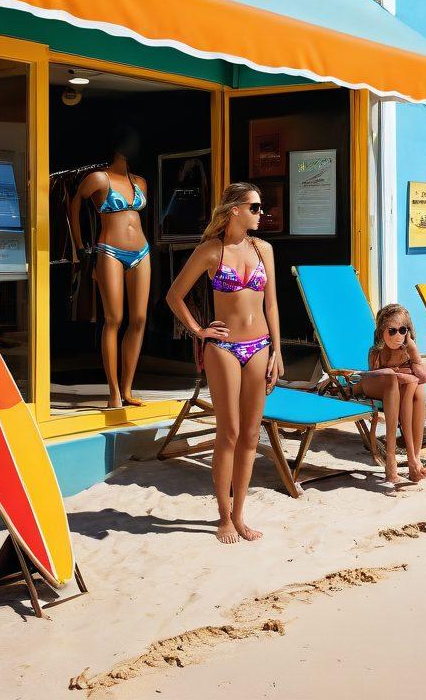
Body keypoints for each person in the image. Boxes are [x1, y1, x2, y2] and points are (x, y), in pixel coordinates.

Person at [166, 182, 283, 544]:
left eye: (260, 208)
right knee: (229, 432)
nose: (261, 214)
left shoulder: (263, 249)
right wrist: (199, 330)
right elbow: (174, 296)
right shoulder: (210, 251)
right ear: (235, 210)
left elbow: (271, 305)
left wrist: (277, 351)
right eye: (255, 207)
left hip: (260, 346)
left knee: (251, 434)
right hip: (224, 347)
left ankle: (240, 515)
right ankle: (223, 516)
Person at [69, 126, 150, 409]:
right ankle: (114, 391)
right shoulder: (98, 178)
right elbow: (74, 204)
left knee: (139, 319)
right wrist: (79, 245)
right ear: (117, 145)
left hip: (142, 251)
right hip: (110, 251)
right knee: (114, 319)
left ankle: (127, 389)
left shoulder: (140, 182)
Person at [358, 303, 426, 486]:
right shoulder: (376, 352)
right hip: (375, 386)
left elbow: (425, 377)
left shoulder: (407, 349)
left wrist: (413, 352)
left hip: (401, 390)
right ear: (382, 330)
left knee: (418, 387)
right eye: (392, 331)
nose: (397, 336)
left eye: (402, 330)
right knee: (395, 379)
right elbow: (373, 376)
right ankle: (392, 461)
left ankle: (415, 460)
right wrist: (397, 372)